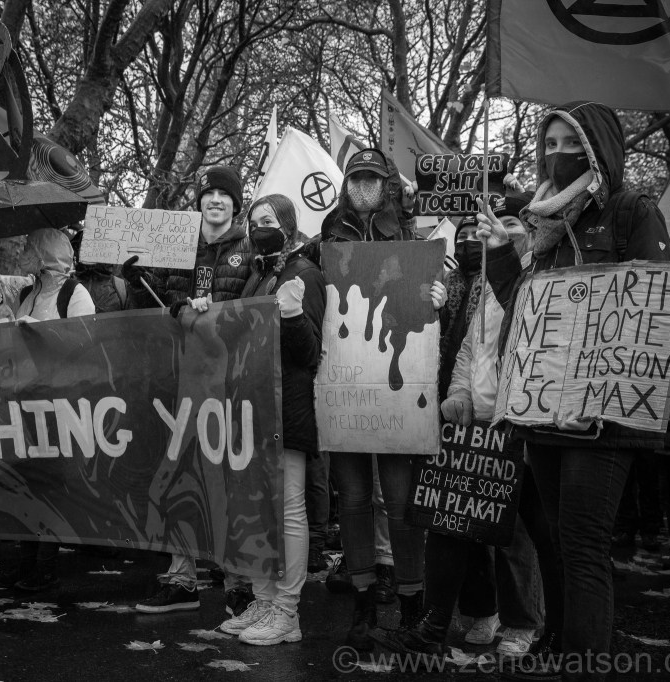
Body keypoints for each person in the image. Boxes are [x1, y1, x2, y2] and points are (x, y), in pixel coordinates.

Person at [477, 101, 670, 680]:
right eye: (550, 143)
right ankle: (559, 645)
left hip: (600, 420)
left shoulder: (631, 211)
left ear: (598, 150)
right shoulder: (544, 227)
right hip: (545, 412)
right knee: (557, 541)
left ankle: (585, 665)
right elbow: (524, 313)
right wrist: (500, 254)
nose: (557, 154)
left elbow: (655, 313)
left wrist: (602, 392)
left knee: (584, 547)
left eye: (572, 144)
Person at [393, 192, 563, 667]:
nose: (499, 230)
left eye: (512, 222)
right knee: (456, 520)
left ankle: (523, 624)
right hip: (479, 425)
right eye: (495, 223)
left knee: (518, 537)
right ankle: (454, 620)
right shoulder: (488, 286)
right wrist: (460, 393)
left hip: (521, 425)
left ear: (531, 230)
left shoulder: (541, 277)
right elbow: (472, 348)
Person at [319, 147, 445, 650]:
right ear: (346, 184)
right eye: (356, 178)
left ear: (386, 184)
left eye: (372, 178)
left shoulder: (410, 236)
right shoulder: (327, 237)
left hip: (397, 380)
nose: (363, 186)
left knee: (400, 502)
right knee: (352, 501)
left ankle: (412, 607)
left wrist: (440, 296)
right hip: (346, 385)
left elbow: (431, 296)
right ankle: (363, 606)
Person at [134, 165, 255, 615]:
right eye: (208, 194)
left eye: (224, 194)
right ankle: (182, 578)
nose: (215, 201)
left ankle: (238, 582)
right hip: (181, 377)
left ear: (235, 204)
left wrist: (215, 311)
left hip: (230, 381)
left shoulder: (249, 249)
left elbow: (254, 309)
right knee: (180, 472)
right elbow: (156, 304)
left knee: (228, 480)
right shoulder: (178, 245)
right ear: (199, 201)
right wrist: (139, 280)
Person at [207, 193, 324, 645]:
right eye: (254, 221)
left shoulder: (305, 274)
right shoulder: (258, 274)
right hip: (252, 404)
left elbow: (309, 353)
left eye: (269, 221)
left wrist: (292, 316)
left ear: (288, 225)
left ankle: (287, 611)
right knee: (257, 506)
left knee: (289, 509)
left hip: (287, 406)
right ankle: (262, 599)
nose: (260, 229)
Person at [0, 227, 95, 592]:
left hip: (59, 401)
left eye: (28, 248)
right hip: (24, 399)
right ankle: (23, 563)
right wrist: (0, 312)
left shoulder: (75, 294)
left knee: (50, 485)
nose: (21, 254)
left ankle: (45, 568)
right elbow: (4, 340)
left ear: (44, 256)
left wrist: (38, 328)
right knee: (25, 481)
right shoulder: (25, 293)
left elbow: (85, 341)